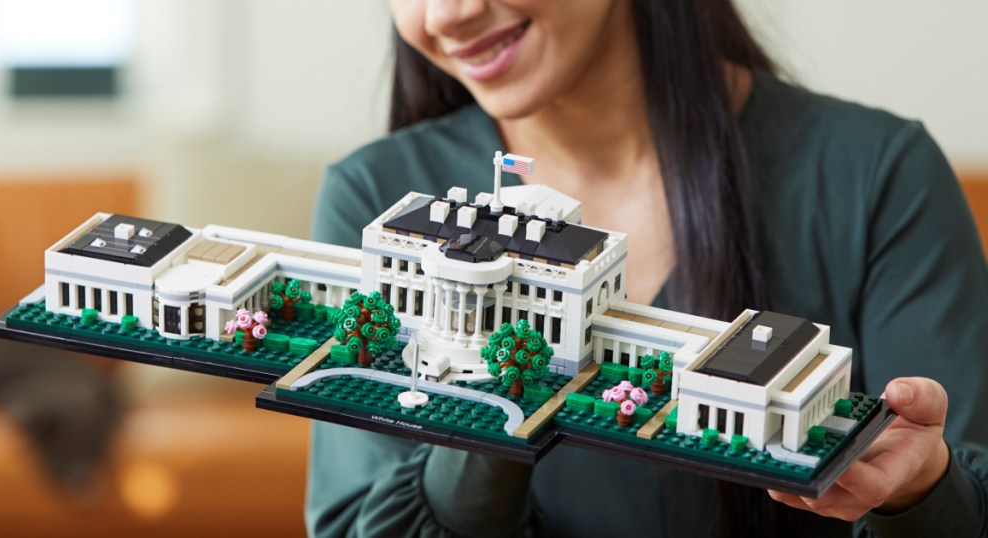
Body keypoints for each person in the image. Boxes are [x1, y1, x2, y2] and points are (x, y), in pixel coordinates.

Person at [306, 1, 988, 536]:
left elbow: (958, 493)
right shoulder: (376, 198)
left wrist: (923, 493)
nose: (443, 14)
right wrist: (495, 402)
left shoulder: (878, 177)